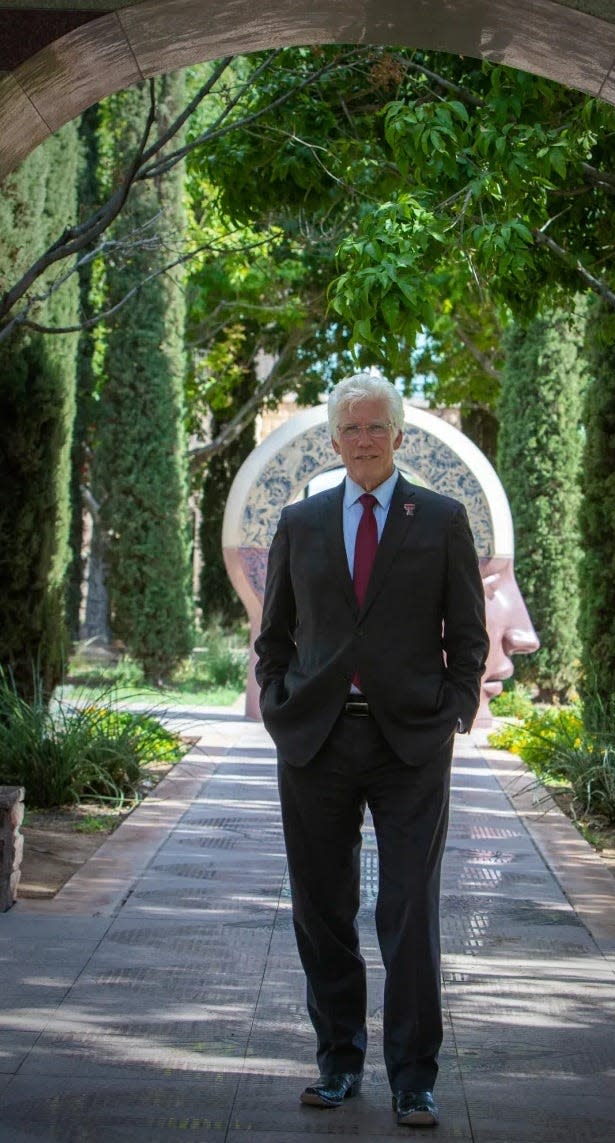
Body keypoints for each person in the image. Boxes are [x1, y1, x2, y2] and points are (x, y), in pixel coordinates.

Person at [254, 372, 489, 1128]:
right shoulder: (301, 520)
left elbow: (469, 632)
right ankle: (337, 1061)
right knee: (322, 909)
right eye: (349, 428)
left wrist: (452, 707)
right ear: (333, 439)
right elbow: (275, 635)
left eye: (374, 426)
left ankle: (413, 1078)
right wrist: (278, 700)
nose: (361, 439)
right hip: (316, 737)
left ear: (398, 435)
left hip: (409, 742)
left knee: (408, 908)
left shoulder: (442, 518)